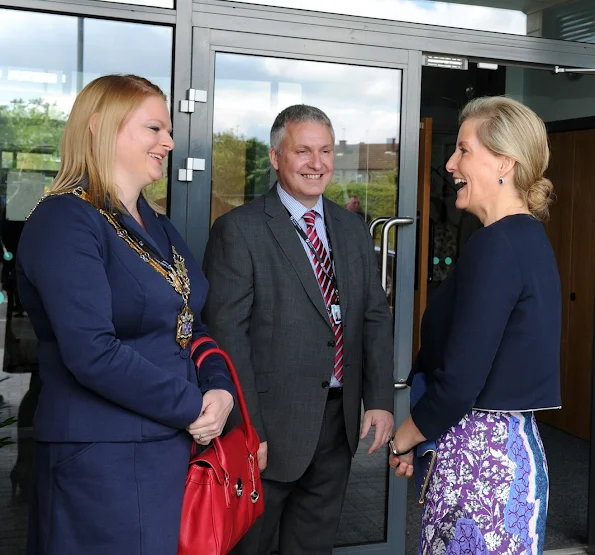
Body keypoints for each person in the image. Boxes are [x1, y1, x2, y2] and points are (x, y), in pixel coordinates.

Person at [17, 74, 235, 555]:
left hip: (167, 449)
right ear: (101, 126)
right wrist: (190, 406)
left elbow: (192, 323)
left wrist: (219, 388)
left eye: (169, 131)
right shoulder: (64, 219)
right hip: (104, 460)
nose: (170, 142)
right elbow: (91, 351)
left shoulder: (158, 224)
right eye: (154, 128)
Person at [203, 104, 395, 555]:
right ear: (275, 158)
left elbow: (374, 316)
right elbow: (229, 336)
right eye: (303, 151)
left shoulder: (350, 227)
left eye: (325, 151)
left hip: (337, 421)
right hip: (269, 427)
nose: (317, 163)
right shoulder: (239, 230)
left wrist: (380, 400)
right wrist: (248, 430)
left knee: (313, 544)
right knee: (253, 547)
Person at [389, 96, 561, 555]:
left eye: (463, 150)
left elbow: (462, 379)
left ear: (505, 161)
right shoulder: (527, 238)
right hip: (505, 454)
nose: (450, 163)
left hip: (479, 464)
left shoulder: (497, 245)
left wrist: (404, 436)